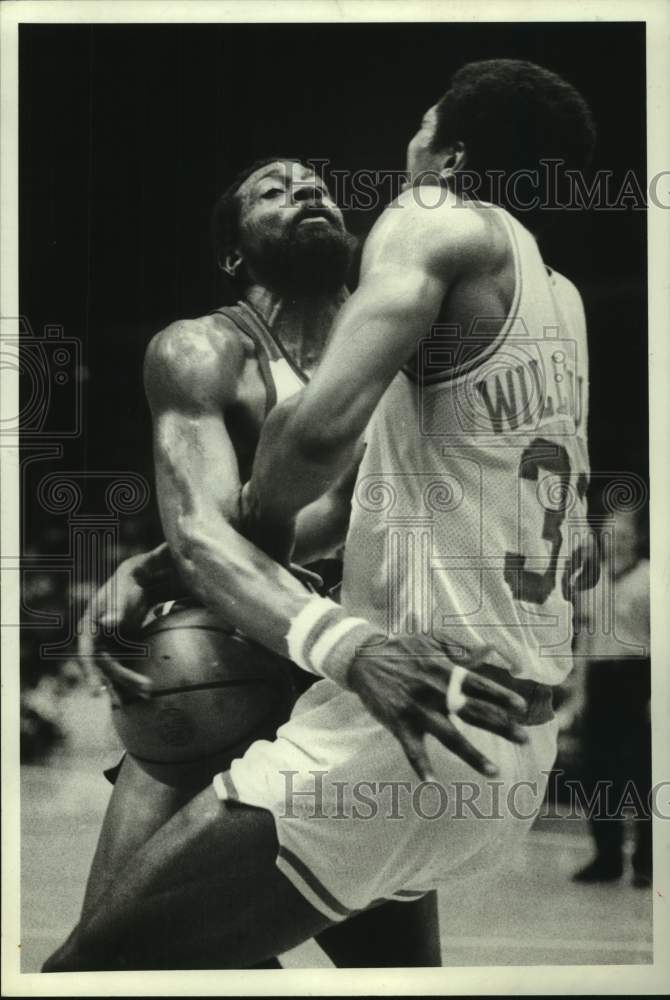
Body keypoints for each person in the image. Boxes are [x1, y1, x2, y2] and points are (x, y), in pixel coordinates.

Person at [45, 58, 596, 971]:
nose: (308, 190)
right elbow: (313, 513)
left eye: (319, 184)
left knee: (102, 970)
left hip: (384, 695)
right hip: (388, 708)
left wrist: (229, 534)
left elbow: (292, 489)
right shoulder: (207, 348)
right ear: (234, 250)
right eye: (274, 188)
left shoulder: (417, 265)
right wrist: (159, 564)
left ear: (447, 153)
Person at [571, 506, 651, 886]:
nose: (614, 542)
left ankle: (650, 863)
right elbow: (585, 641)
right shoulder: (591, 581)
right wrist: (577, 695)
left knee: (645, 775)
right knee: (598, 773)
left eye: (621, 535)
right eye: (607, 535)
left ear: (636, 537)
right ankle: (607, 858)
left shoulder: (653, 579)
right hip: (601, 681)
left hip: (639, 679)